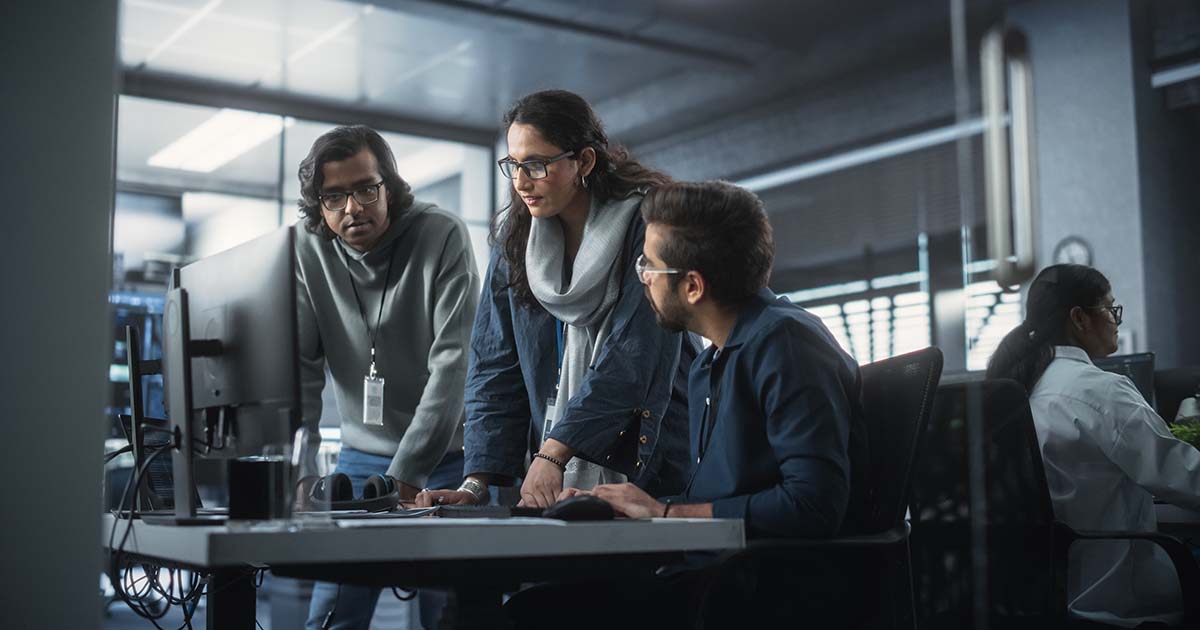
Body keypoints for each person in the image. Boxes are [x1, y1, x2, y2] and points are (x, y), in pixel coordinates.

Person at [507, 180, 869, 627]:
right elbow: (715, 500)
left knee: (530, 615)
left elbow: (814, 504)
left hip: (749, 594)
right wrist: (625, 503)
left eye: (649, 266)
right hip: (710, 578)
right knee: (534, 606)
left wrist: (665, 512)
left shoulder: (785, 345)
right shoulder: (711, 362)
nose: (641, 278)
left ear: (693, 286)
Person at [416, 90, 696, 510]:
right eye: (513, 165)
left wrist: (555, 452)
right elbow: (495, 367)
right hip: (555, 473)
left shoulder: (648, 228)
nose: (521, 181)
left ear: (583, 161)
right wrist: (475, 484)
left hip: (651, 464)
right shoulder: (517, 240)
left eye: (536, 164)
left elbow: (632, 356)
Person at [293, 125, 480, 630]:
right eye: (334, 196)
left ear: (389, 186)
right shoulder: (309, 250)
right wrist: (301, 471)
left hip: (447, 459)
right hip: (360, 458)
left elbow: (453, 366)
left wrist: (405, 475)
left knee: (442, 616)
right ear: (319, 205)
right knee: (332, 617)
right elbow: (301, 373)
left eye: (365, 188)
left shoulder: (441, 235)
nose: (352, 208)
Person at [987, 263, 1200, 628]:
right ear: (1079, 318)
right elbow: (1187, 479)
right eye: (1110, 308)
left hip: (1043, 600)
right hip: (1117, 603)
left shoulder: (1021, 388)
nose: (1116, 320)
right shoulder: (1100, 391)